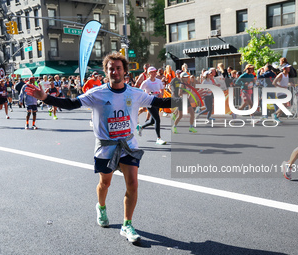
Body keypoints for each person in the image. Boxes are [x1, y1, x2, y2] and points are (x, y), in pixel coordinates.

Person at [25, 52, 188, 243]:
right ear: (106, 71)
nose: (115, 71)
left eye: (118, 68)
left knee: (133, 184)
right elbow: (71, 104)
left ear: (125, 71)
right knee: (105, 183)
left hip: (128, 145)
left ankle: (127, 225)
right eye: (111, 68)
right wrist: (45, 97)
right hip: (106, 147)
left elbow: (160, 102)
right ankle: (101, 207)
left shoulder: (135, 93)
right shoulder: (97, 94)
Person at [136, 66, 166, 145]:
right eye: (152, 72)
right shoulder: (146, 82)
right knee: (157, 119)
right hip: (149, 102)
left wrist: (161, 94)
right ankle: (158, 138)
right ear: (149, 73)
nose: (154, 73)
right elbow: (140, 91)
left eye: (155, 72)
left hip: (157, 101)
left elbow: (161, 90)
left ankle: (141, 127)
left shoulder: (159, 81)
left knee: (153, 121)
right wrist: (146, 96)